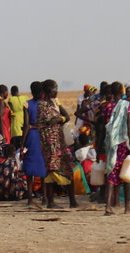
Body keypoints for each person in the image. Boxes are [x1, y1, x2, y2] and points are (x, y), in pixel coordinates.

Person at [36, 79, 76, 208]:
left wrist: (59, 113)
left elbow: (67, 117)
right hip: (49, 143)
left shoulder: (54, 104)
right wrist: (58, 118)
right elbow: (50, 121)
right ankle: (51, 202)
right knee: (50, 171)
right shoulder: (42, 105)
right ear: (49, 90)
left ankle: (73, 202)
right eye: (55, 88)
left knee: (68, 170)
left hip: (59, 141)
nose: (57, 91)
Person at [103, 82, 130, 215]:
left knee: (111, 172)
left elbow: (103, 127)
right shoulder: (126, 105)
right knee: (126, 173)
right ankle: (127, 207)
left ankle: (108, 205)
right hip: (122, 143)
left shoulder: (107, 107)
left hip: (110, 144)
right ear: (122, 91)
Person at [22, 81, 46, 206]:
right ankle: (45, 197)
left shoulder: (27, 104)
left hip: (31, 135)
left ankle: (30, 198)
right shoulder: (45, 104)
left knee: (29, 168)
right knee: (43, 166)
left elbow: (26, 125)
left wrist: (22, 144)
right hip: (43, 135)